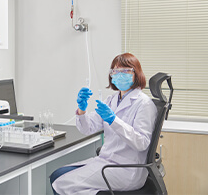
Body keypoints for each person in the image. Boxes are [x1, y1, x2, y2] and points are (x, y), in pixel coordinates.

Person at [50, 53, 158, 194]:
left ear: (136, 74)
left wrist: (114, 121)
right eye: (115, 71)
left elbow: (142, 143)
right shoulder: (111, 100)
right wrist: (82, 110)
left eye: (125, 71)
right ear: (111, 75)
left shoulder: (144, 104)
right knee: (57, 175)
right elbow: (88, 128)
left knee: (62, 184)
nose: (119, 75)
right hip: (107, 162)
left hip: (126, 169)